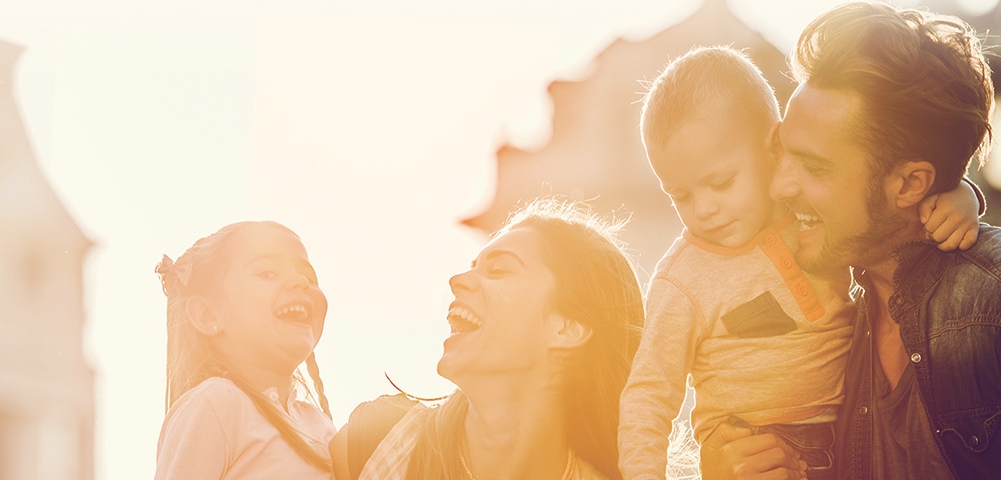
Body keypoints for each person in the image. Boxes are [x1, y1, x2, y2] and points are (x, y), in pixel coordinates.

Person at [618, 45, 983, 480]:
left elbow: (888, 216)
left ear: (774, 148)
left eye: (721, 182)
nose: (704, 209)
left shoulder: (810, 225)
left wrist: (960, 195)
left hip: (849, 437)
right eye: (681, 195)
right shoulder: (682, 280)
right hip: (755, 448)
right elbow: (648, 395)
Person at [703, 2, 1001, 479]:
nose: (779, 186)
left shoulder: (991, 307)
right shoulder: (812, 311)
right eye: (783, 153)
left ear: (909, 185)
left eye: (815, 167)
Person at [330, 197, 646, 480]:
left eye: (497, 271)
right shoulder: (369, 445)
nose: (457, 280)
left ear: (566, 329)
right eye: (472, 267)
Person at [153, 221, 336, 479]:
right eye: (268, 273)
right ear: (207, 314)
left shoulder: (321, 426)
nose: (300, 282)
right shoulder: (216, 404)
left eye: (309, 276)